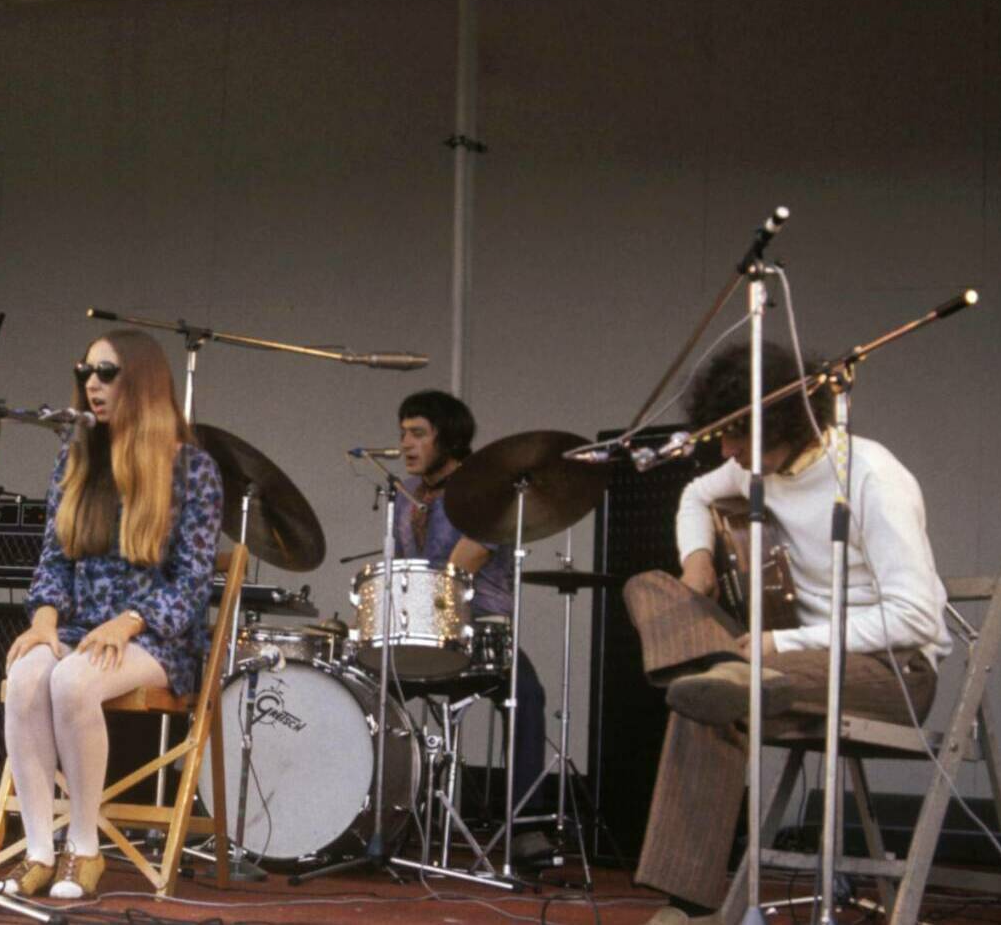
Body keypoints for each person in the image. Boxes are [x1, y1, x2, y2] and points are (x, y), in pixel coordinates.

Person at [623, 340, 949, 921]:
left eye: (735, 435)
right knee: (648, 586)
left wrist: (782, 644)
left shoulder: (873, 477)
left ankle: (723, 674)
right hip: (779, 661)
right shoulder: (758, 466)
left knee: (722, 691)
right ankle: (718, 673)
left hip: (892, 672)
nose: (724, 451)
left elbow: (916, 616)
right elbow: (695, 493)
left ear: (783, 423)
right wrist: (696, 557)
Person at [0, 330, 223, 902]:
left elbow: (194, 583)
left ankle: (85, 847)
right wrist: (44, 621)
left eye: (106, 372)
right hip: (78, 627)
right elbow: (54, 557)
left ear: (142, 383)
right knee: (26, 676)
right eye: (86, 372)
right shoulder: (76, 456)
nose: (92, 384)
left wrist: (129, 622)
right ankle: (39, 852)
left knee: (72, 681)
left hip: (156, 636)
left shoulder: (192, 469)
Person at [387, 389, 549, 858]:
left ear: (449, 439)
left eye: (418, 433)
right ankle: (376, 814)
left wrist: (430, 598)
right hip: (416, 627)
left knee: (527, 694)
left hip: (479, 627)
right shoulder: (403, 499)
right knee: (366, 691)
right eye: (402, 434)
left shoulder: (482, 489)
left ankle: (525, 825)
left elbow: (464, 564)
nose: (405, 444)